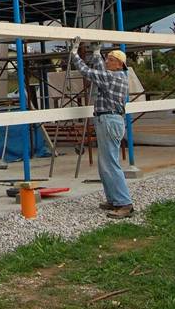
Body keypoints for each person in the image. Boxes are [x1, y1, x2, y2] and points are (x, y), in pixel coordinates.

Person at [71, 41, 135, 218]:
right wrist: (97, 53)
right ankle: (114, 200)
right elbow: (102, 71)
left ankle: (124, 203)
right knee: (104, 164)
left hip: (109, 120)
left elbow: (87, 72)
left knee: (110, 164)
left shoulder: (112, 78)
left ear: (118, 63)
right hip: (109, 119)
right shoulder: (117, 75)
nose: (106, 61)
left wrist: (74, 53)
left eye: (109, 59)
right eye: (106, 59)